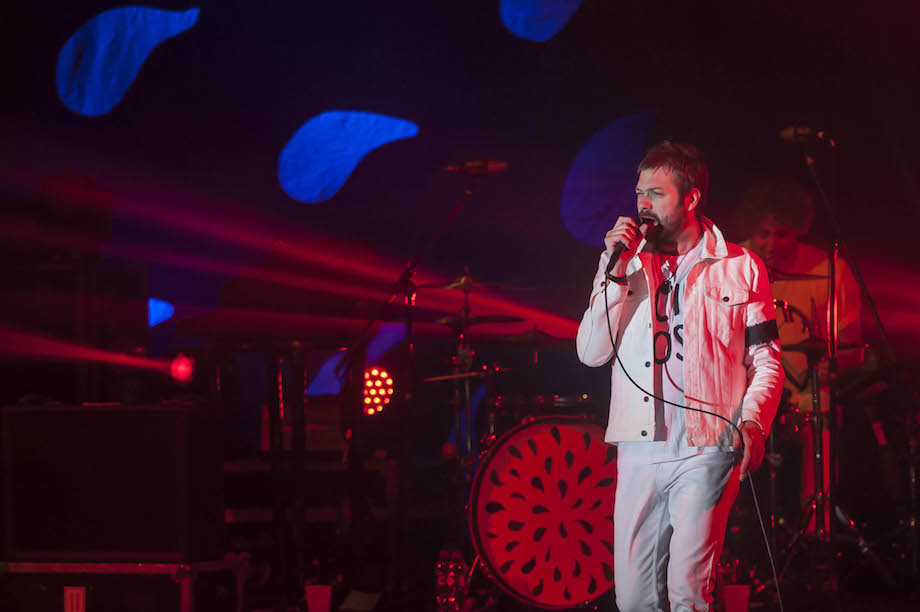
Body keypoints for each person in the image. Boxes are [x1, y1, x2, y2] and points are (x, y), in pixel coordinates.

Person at [576, 141, 784, 611]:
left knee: (689, 591)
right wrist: (615, 271)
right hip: (640, 449)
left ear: (690, 198)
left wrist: (753, 421)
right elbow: (590, 353)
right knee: (634, 600)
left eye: (656, 193)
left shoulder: (740, 266)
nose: (643, 204)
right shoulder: (625, 263)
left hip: (708, 447)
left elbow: (766, 359)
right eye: (639, 193)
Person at [736, 177, 864, 533]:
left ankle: (815, 531)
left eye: (782, 234)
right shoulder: (733, 264)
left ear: (799, 229)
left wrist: (827, 367)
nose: (771, 244)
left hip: (807, 401)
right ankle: (737, 535)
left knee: (822, 421)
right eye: (763, 234)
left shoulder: (830, 271)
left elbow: (851, 349)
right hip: (742, 397)